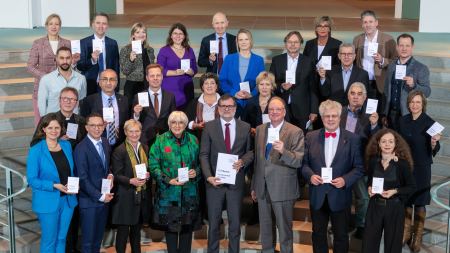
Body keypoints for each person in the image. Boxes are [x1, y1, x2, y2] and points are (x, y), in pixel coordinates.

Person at [302, 100, 364, 253]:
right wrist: (310, 176)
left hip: (340, 195)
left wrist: (345, 180)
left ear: (340, 117)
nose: (330, 119)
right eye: (327, 116)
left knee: (341, 236)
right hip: (318, 195)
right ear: (322, 118)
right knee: (318, 235)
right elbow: (303, 164)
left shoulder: (353, 139)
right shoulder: (310, 137)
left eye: (334, 116)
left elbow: (359, 168)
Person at [199, 94, 254, 253]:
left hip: (235, 183)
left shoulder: (245, 126)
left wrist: (243, 161)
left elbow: (250, 152)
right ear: (218, 109)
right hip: (214, 183)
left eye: (230, 106)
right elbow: (203, 155)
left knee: (235, 225)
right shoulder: (209, 127)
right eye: (223, 106)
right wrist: (209, 177)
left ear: (235, 108)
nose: (227, 109)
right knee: (214, 224)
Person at [251, 97, 304, 253]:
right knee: (266, 230)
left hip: (283, 188)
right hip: (262, 187)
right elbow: (258, 161)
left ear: (284, 112)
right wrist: (254, 185)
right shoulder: (261, 129)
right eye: (271, 109)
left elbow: (298, 160)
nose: (274, 112)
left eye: (278, 109)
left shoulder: (295, 131)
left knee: (285, 231)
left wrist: (283, 151)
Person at [149, 111, 201, 253]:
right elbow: (153, 166)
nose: (177, 126)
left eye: (181, 123)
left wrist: (196, 172)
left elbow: (201, 163)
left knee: (186, 231)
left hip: (189, 194)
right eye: (173, 122)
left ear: (185, 124)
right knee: (170, 232)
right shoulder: (160, 141)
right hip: (168, 194)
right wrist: (168, 180)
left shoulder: (193, 140)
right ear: (169, 124)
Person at [27, 113, 78, 253]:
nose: (54, 131)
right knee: (50, 240)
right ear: (43, 129)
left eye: (57, 127)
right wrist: (54, 185)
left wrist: (74, 184)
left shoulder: (66, 145)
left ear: (61, 129)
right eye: (50, 128)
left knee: (61, 238)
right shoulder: (36, 150)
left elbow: (70, 171)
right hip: (47, 201)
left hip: (68, 200)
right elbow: (32, 179)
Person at [398, 90, 441, 252]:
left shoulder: (430, 123)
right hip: (406, 166)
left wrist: (434, 142)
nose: (414, 105)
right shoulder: (402, 121)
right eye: (412, 102)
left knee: (420, 202)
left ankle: (417, 237)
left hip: (422, 167)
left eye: (418, 102)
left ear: (423, 104)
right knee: (407, 200)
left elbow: (435, 148)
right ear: (408, 104)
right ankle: (406, 232)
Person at [362, 129, 416, 253]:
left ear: (395, 144)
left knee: (393, 246)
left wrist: (395, 191)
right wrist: (369, 188)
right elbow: (369, 181)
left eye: (390, 141)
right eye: (384, 141)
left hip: (395, 208)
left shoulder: (402, 164)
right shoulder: (373, 161)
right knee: (369, 243)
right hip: (375, 206)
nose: (387, 144)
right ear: (379, 144)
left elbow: (411, 187)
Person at [340, 82, 380, 239]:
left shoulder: (371, 116)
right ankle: (340, 223)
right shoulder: (340, 112)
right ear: (348, 96)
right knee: (339, 196)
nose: (355, 97)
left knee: (363, 197)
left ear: (365, 97)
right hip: (340, 162)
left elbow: (376, 140)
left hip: (359, 163)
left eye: (359, 94)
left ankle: (361, 224)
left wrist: (375, 124)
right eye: (353, 93)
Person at [74, 113, 114, 253]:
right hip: (90, 201)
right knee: (88, 243)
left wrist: (110, 174)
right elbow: (82, 179)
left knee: (97, 241)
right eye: (93, 125)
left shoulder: (105, 142)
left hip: (103, 199)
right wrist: (100, 196)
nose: (97, 128)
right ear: (86, 127)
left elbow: (107, 166)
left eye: (100, 125)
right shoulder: (81, 148)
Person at [111, 119, 151, 253]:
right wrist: (130, 181)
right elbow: (116, 174)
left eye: (137, 131)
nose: (134, 134)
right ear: (125, 132)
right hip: (125, 196)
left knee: (136, 232)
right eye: (131, 131)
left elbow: (147, 168)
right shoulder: (119, 150)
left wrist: (148, 175)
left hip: (140, 195)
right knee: (122, 233)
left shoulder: (144, 147)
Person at [27, 14, 72, 125]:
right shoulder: (38, 43)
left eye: (57, 24)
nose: (54, 26)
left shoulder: (67, 43)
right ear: (46, 26)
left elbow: (69, 64)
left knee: (61, 124)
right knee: (41, 124)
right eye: (51, 24)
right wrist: (46, 77)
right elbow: (30, 66)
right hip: (42, 89)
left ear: (60, 26)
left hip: (62, 90)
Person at [269, 31, 318, 132]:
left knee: (300, 139)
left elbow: (313, 87)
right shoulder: (277, 60)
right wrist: (281, 87)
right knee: (281, 137)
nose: (292, 45)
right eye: (290, 42)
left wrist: (314, 110)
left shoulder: (308, 62)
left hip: (302, 109)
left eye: (296, 42)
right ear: (285, 43)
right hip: (281, 107)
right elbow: (271, 84)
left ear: (300, 44)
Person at [383, 33, 431, 131]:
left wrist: (414, 85)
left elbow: (427, 92)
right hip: (391, 115)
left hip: (409, 115)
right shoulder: (391, 66)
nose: (404, 49)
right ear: (397, 47)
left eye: (407, 46)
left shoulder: (421, 68)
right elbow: (386, 91)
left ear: (412, 47)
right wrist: (384, 113)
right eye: (401, 45)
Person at [353, 10, 397, 103]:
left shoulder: (388, 39)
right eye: (365, 22)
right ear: (362, 24)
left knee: (377, 113)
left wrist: (382, 60)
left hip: (379, 83)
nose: (368, 25)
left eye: (370, 22)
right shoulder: (357, 39)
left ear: (376, 23)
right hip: (362, 82)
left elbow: (396, 61)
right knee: (362, 111)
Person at [219, 28, 265, 118]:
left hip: (251, 103)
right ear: (237, 42)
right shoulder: (229, 59)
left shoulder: (258, 60)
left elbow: (261, 82)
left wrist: (252, 94)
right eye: (240, 39)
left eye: (246, 39)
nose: (243, 42)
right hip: (232, 101)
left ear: (250, 41)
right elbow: (222, 80)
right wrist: (234, 93)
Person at [80, 69, 129, 149]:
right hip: (98, 145)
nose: (108, 83)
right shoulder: (89, 100)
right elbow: (83, 123)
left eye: (112, 79)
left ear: (116, 82)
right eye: (105, 79)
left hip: (120, 145)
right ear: (99, 82)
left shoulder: (124, 100)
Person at [133, 64, 176, 147]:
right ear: (147, 78)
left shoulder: (170, 96)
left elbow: (173, 118)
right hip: (145, 140)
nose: (155, 78)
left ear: (162, 77)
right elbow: (133, 121)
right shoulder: (138, 96)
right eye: (152, 76)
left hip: (166, 139)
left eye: (158, 75)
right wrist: (136, 114)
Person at [77, 12, 120, 96]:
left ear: (107, 26)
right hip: (90, 83)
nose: (101, 26)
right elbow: (80, 66)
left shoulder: (113, 43)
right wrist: (92, 60)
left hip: (108, 83)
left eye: (104, 23)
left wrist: (116, 85)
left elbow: (116, 66)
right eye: (98, 23)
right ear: (93, 25)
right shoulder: (84, 42)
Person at [157, 23, 197, 110]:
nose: (178, 36)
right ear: (171, 35)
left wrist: (192, 72)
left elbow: (195, 69)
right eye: (175, 33)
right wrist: (175, 72)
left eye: (180, 33)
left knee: (186, 115)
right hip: (170, 89)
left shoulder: (189, 50)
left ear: (184, 36)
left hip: (186, 88)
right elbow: (160, 70)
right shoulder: (164, 50)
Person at [38, 47, 87, 116]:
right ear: (56, 59)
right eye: (61, 58)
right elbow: (42, 105)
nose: (65, 61)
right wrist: (46, 123)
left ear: (72, 59)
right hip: (54, 123)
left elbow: (82, 103)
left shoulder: (81, 79)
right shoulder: (46, 79)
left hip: (74, 122)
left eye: (68, 58)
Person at [119, 22, 155, 106]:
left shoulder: (150, 50)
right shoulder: (126, 50)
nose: (141, 34)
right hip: (132, 86)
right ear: (133, 35)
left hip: (146, 85)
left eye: (143, 32)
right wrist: (130, 60)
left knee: (145, 112)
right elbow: (125, 71)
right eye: (137, 32)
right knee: (131, 111)